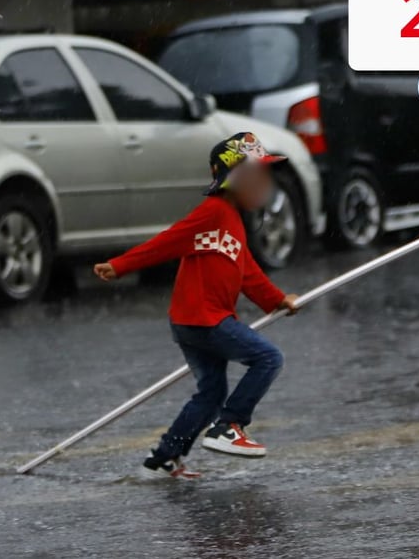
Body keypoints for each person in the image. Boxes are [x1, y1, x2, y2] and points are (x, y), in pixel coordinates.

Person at [94, 132, 299, 480]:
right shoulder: (213, 213)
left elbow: (248, 272)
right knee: (267, 358)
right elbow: (168, 241)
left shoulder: (232, 221)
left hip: (194, 322)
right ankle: (229, 426)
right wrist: (120, 265)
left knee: (212, 392)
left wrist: (277, 300)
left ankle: (165, 457)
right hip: (205, 320)